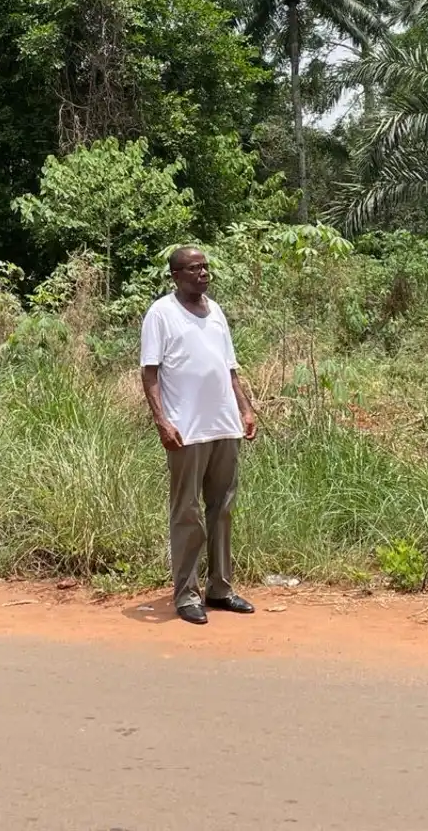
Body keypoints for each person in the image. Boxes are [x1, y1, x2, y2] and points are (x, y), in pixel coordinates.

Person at [140, 247, 258, 626]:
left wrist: (245, 409)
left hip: (224, 425)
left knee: (223, 508)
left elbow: (230, 368)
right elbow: (150, 373)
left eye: (205, 267)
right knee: (187, 511)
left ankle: (220, 588)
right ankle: (186, 593)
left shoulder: (216, 311)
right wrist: (162, 421)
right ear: (176, 275)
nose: (203, 273)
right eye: (194, 268)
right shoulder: (162, 313)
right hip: (186, 430)